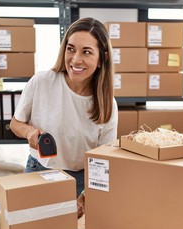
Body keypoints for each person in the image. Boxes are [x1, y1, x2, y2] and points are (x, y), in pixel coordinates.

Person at [10, 17, 118, 218]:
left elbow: (104, 160)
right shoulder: (42, 82)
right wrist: (30, 132)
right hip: (38, 172)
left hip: (79, 182)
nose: (76, 59)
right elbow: (16, 123)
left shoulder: (107, 104)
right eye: (71, 49)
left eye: (86, 52)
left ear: (102, 58)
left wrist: (86, 195)